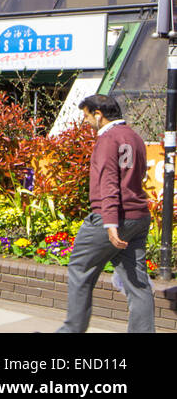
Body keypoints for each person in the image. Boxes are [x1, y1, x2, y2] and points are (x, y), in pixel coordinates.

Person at [58, 94, 154, 333]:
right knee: (137, 283)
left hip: (111, 217)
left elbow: (109, 183)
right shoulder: (134, 137)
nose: (87, 122)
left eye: (87, 116)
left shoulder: (107, 139)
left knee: (80, 268)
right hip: (138, 217)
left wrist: (110, 223)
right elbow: (136, 177)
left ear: (98, 114)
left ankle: (71, 331)